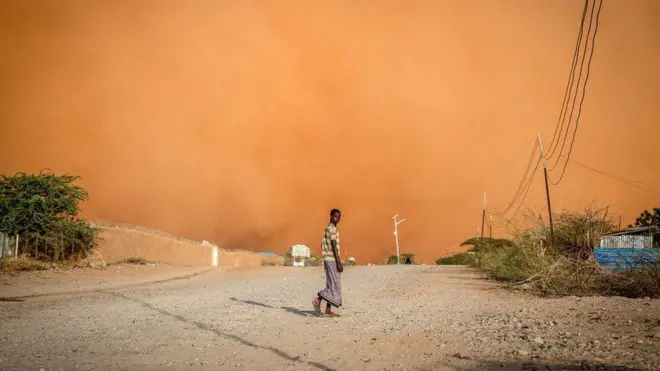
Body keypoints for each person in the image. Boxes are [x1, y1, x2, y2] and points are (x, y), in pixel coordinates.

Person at [312, 209, 343, 317]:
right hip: (332, 260)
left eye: (339, 217)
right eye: (335, 216)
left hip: (328, 259)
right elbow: (333, 246)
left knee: (332, 283)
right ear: (330, 216)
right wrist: (338, 262)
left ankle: (328, 310)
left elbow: (324, 245)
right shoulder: (332, 229)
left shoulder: (327, 228)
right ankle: (318, 299)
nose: (337, 219)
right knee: (334, 283)